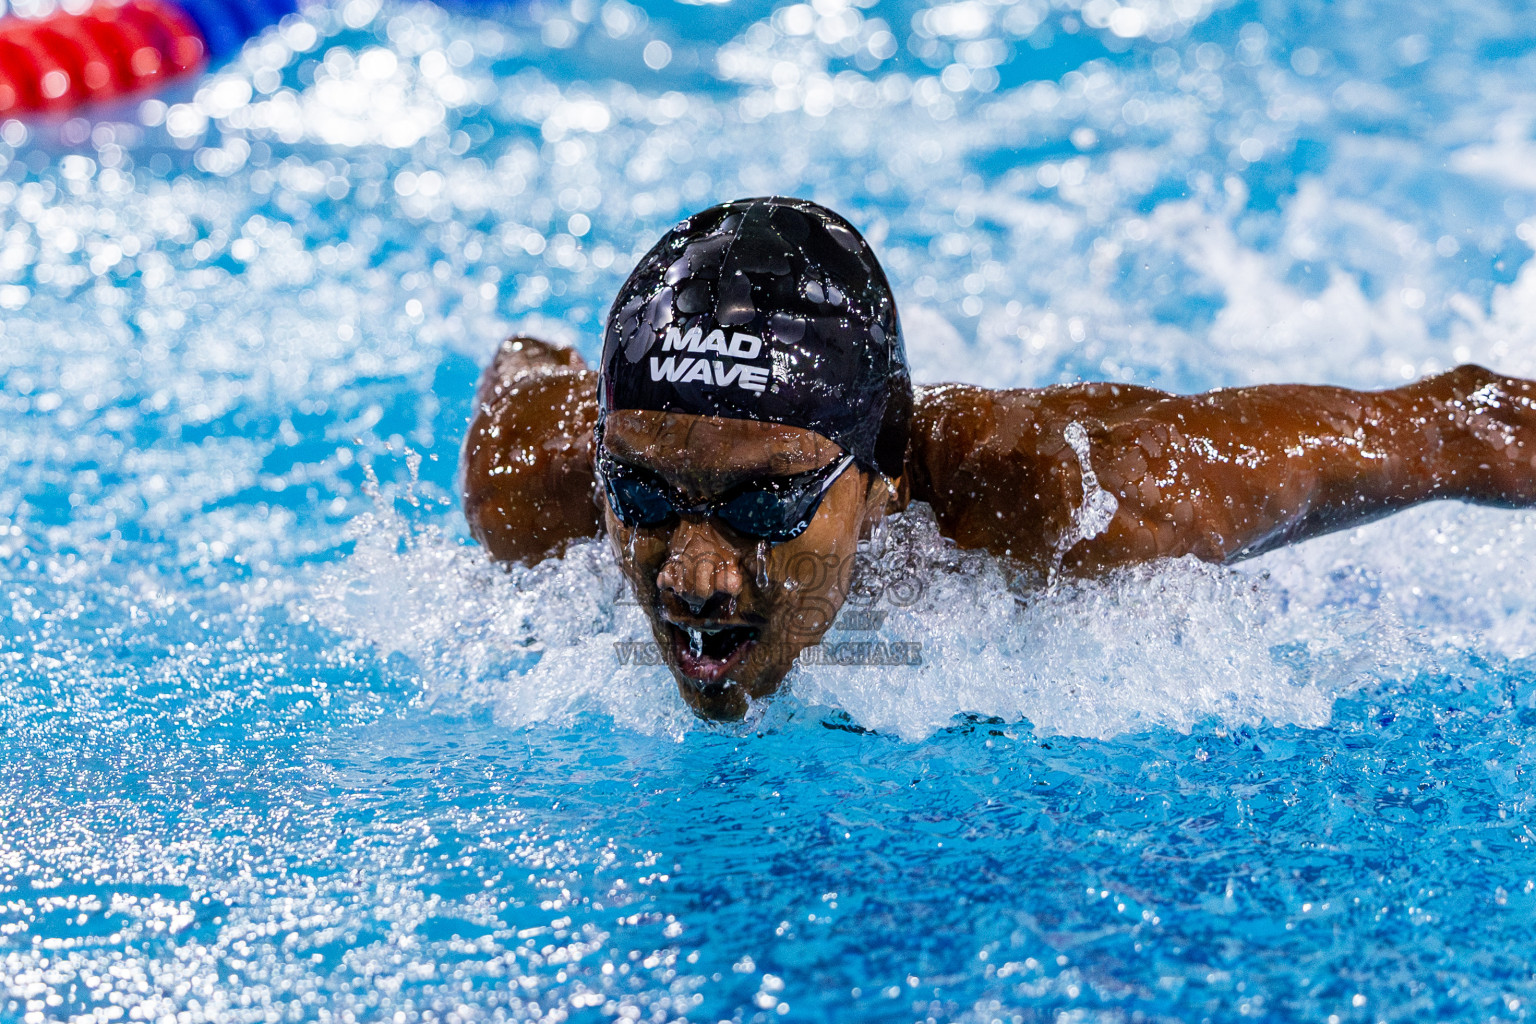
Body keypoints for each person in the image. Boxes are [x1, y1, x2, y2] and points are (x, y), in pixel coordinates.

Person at [461, 196, 1536, 720]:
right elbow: (520, 365)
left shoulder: (1084, 496)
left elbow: (1459, 422)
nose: (693, 573)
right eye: (644, 490)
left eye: (767, 500)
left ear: (880, 464)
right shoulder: (530, 475)